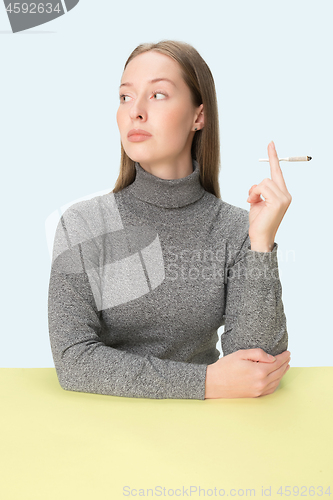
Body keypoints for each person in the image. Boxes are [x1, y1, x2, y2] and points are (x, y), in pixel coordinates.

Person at [48, 40, 291, 400]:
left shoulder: (236, 230)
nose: (136, 112)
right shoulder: (82, 224)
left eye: (158, 95)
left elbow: (258, 368)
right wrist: (206, 382)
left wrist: (260, 243)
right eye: (126, 97)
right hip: (100, 432)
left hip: (206, 434)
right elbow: (73, 359)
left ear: (199, 116)